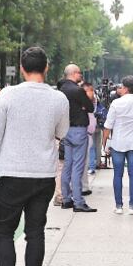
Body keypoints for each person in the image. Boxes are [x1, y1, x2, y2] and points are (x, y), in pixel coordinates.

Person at [0, 48, 69, 266]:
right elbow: (61, 133)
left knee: (4, 233)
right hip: (43, 176)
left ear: (21, 68)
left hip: (13, 175)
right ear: (47, 67)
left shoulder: (7, 95)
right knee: (35, 233)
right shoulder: (58, 99)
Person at [103, 76, 133, 215]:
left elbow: (108, 126)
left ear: (126, 88)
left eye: (121, 87)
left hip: (118, 142)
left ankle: (118, 206)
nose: (119, 89)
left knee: (118, 174)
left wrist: (104, 143)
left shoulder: (116, 104)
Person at [57, 63, 96, 212]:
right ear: (73, 73)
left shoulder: (61, 90)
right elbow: (90, 107)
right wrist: (83, 107)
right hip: (79, 130)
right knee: (78, 167)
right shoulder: (78, 90)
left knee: (67, 165)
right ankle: (78, 201)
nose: (81, 75)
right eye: (79, 73)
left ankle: (66, 199)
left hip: (65, 130)